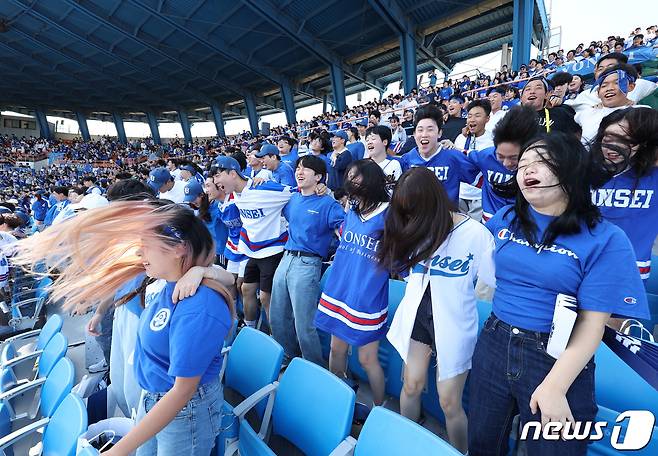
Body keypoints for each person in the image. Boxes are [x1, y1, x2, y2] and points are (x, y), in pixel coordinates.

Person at [468, 132, 649, 456]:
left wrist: (555, 384)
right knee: (482, 443)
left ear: (569, 170)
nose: (526, 169)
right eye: (523, 164)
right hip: (494, 341)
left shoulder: (606, 239)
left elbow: (593, 324)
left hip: (555, 354)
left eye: (540, 162)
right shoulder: (506, 218)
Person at [12, 201, 235, 455]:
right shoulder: (170, 283)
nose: (140, 255)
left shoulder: (198, 307)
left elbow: (182, 391)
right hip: (156, 399)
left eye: (145, 247)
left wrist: (117, 451)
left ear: (179, 248)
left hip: (185, 412)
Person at [380, 168, 495, 453]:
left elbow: (489, 286)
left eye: (414, 212)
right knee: (411, 385)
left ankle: (462, 451)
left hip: (455, 322)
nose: (410, 219)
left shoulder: (475, 234)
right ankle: (409, 443)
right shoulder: (411, 229)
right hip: (418, 315)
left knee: (449, 401)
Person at [315, 160, 390, 407]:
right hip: (340, 289)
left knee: (368, 359)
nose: (351, 182)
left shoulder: (390, 212)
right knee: (337, 350)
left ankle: (380, 409)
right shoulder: (351, 207)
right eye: (349, 177)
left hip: (367, 294)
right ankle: (337, 402)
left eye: (357, 178)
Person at [270, 155, 345, 367]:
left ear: (319, 177)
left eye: (306, 169)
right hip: (285, 259)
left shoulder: (328, 203)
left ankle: (313, 367)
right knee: (278, 316)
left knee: (304, 323)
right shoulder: (291, 198)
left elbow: (345, 229)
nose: (299, 172)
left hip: (308, 264)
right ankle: (288, 359)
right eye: (298, 168)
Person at [590, 107, 658, 281]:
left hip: (631, 272)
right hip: (584, 265)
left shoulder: (653, 176)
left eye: (626, 140)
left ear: (643, 143)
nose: (614, 147)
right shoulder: (582, 171)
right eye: (608, 137)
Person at [466, 105, 541, 221]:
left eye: (513, 157)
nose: (506, 163)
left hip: (523, 225)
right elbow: (464, 155)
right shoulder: (486, 156)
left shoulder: (541, 169)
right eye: (500, 156)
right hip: (490, 224)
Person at [400, 105, 480, 205]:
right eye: (420, 130)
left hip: (446, 218)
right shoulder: (406, 160)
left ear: (439, 133)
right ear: (414, 134)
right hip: (416, 218)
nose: (424, 134)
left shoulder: (454, 157)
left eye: (430, 129)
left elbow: (483, 181)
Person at [575, 64, 644, 144]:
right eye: (604, 85)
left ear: (631, 86)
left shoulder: (642, 113)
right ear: (598, 92)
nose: (609, 88)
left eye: (617, 83)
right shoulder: (586, 113)